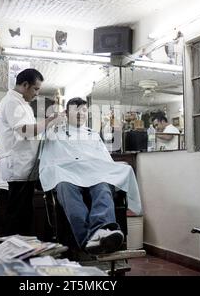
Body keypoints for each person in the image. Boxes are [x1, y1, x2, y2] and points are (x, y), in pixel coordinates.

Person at [39, 98, 142, 254]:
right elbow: (49, 158)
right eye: (76, 109)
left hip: (94, 174)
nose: (81, 113)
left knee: (103, 187)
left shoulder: (93, 134)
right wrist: (53, 121)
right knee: (65, 188)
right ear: (66, 113)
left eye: (84, 110)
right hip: (68, 175)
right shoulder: (55, 133)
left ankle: (99, 231)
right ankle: (92, 239)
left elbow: (104, 160)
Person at [0, 68, 63, 236]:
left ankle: (24, 251)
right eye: (36, 89)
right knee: (17, 213)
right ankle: (12, 253)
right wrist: (49, 121)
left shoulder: (22, 104)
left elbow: (32, 131)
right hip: (18, 164)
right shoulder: (12, 102)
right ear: (25, 85)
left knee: (24, 212)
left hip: (25, 164)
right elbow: (25, 131)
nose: (37, 93)